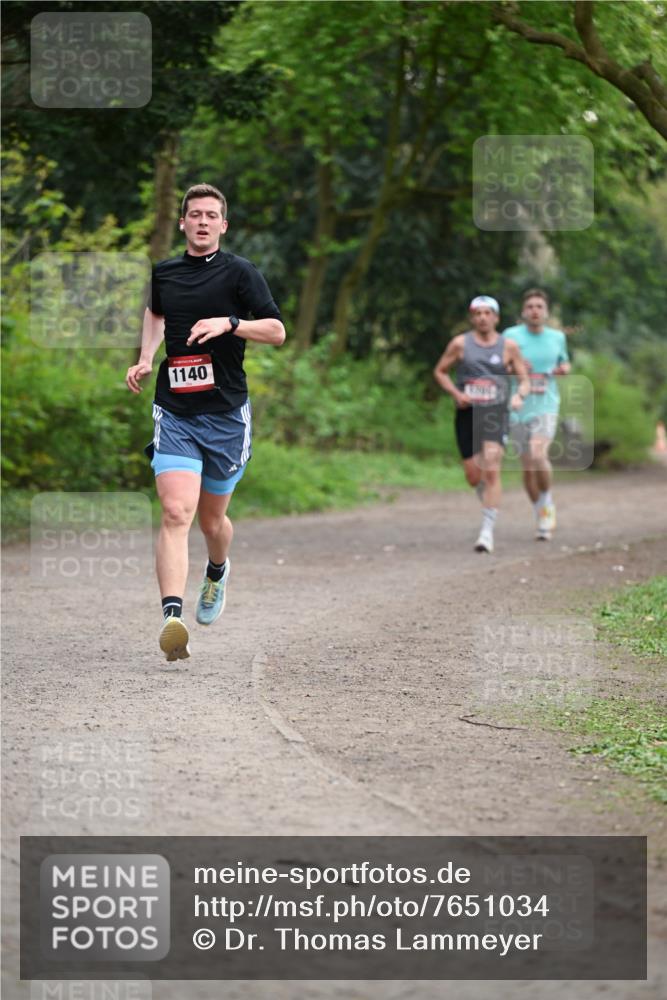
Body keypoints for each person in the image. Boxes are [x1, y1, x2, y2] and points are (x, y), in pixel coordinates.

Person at [126, 183, 285, 661]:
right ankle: (172, 619)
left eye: (210, 215)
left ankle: (217, 571)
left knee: (212, 521)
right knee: (177, 513)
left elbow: (277, 331)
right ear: (182, 223)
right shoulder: (165, 273)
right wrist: (146, 357)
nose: (201, 221)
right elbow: (155, 313)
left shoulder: (240, 273)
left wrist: (230, 324)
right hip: (175, 410)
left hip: (226, 414)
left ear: (223, 225)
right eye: (194, 214)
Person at [433, 295, 529, 553]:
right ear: (472, 318)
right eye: (478, 314)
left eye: (487, 313)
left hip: (495, 412)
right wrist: (457, 394)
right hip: (467, 413)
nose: (483, 318)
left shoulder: (508, 346)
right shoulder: (460, 344)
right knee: (474, 476)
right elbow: (440, 371)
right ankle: (488, 502)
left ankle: (486, 532)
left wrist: (519, 396)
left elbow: (524, 379)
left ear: (496, 318)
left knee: (492, 468)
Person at [503, 289, 570, 541]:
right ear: (523, 312)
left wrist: (563, 369)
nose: (534, 310)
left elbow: (565, 362)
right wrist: (514, 367)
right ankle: (540, 511)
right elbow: (498, 365)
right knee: (528, 468)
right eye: (530, 306)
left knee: (539, 454)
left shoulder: (557, 337)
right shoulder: (510, 336)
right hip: (518, 405)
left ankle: (547, 501)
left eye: (539, 306)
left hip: (546, 404)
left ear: (546, 312)